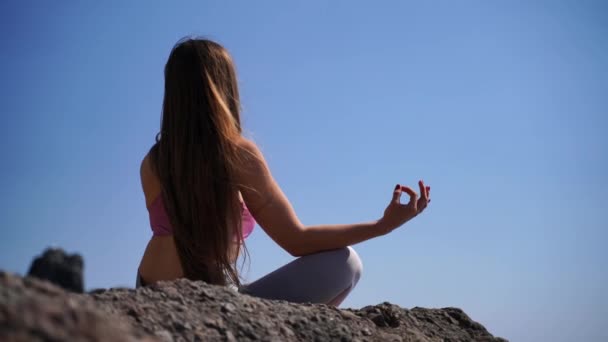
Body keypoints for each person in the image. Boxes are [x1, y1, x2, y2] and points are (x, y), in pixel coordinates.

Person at [136, 37, 431, 307]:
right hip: (208, 304)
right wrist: (382, 226)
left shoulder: (152, 163)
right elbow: (296, 239)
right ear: (224, 88)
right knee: (346, 263)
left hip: (149, 293)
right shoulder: (236, 154)